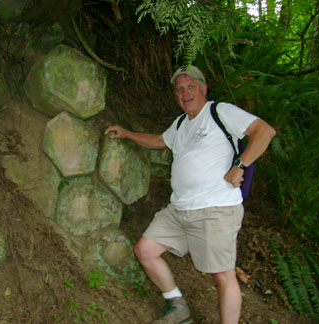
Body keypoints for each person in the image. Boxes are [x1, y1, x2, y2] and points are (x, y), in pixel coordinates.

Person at [104, 65, 276, 324]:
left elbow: (265, 131)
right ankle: (178, 307)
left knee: (222, 276)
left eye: (191, 86)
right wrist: (127, 134)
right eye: (179, 89)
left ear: (204, 89)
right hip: (179, 209)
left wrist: (240, 166)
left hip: (215, 208)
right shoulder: (182, 123)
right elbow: (160, 141)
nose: (184, 93)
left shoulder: (220, 112)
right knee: (146, 250)